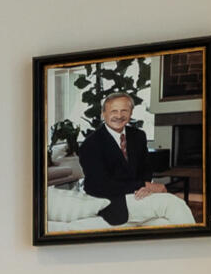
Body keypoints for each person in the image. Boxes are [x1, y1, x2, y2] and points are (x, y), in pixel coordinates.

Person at [73, 87, 193, 228]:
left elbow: (145, 168)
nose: (119, 115)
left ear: (131, 113)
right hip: (110, 202)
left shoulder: (138, 136)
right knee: (172, 204)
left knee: (164, 223)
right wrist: (143, 185)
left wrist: (145, 188)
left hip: (137, 196)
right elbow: (99, 185)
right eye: (114, 111)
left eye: (124, 111)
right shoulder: (91, 144)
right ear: (103, 114)